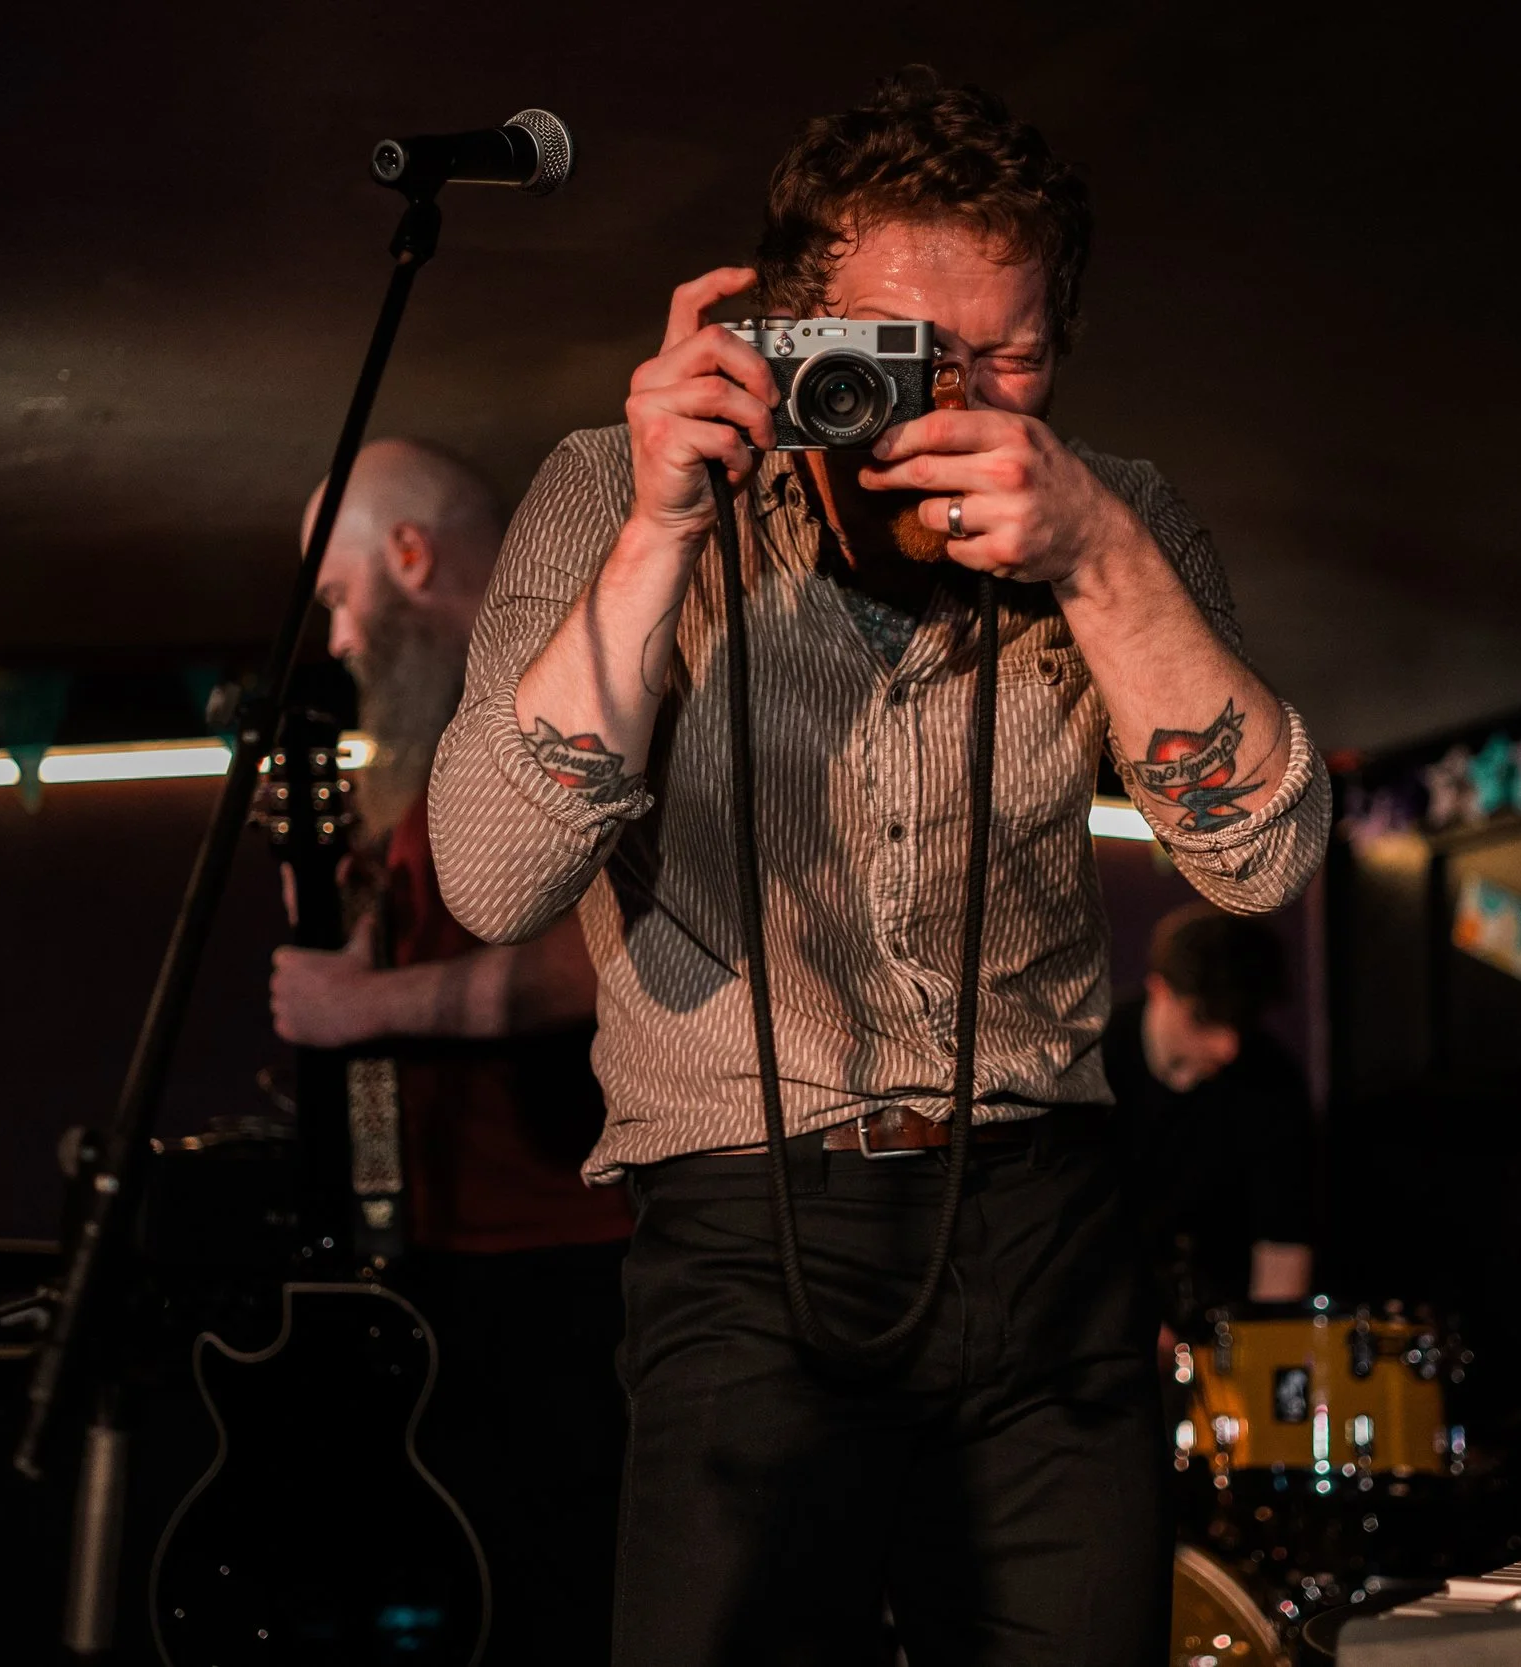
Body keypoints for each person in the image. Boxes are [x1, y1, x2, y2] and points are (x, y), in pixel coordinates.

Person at [430, 71, 1331, 1666]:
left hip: (1048, 1222)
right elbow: (491, 876)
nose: (954, 397)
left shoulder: (1120, 519)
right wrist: (657, 532)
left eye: (1012, 356)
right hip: (745, 1228)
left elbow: (1262, 866)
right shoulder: (609, 487)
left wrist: (1099, 558)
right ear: (784, 333)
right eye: (908, 351)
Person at [265, 437, 635, 1667]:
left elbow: (594, 968)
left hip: (569, 1267)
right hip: (468, 1260)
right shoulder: (436, 752)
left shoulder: (556, 698)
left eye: (338, 595)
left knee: (558, 1601)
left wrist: (358, 1009)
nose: (336, 641)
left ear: (410, 555)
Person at [1103, 902, 1317, 1336]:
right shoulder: (1093, 1056)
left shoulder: (1272, 1080)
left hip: (1224, 1323)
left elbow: (1282, 1245)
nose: (1227, 1047)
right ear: (1159, 990)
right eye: (1205, 1019)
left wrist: (1259, 1351)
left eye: (1241, 1023)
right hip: (1101, 1316)